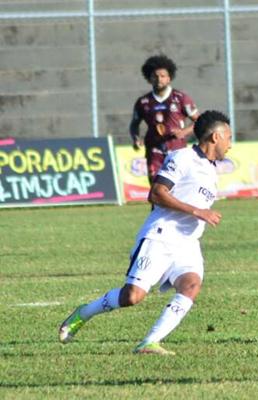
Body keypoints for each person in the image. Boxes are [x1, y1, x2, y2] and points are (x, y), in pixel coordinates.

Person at [59, 110, 233, 355]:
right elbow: (157, 193)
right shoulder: (182, 158)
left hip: (188, 242)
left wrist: (198, 214)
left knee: (191, 285)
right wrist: (198, 211)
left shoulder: (211, 169)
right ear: (215, 137)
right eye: (228, 138)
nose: (230, 145)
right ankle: (83, 313)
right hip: (161, 236)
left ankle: (149, 342)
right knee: (132, 297)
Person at [130, 55, 200, 185]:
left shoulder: (180, 98)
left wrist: (184, 132)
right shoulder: (143, 102)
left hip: (177, 150)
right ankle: (157, 206)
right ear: (149, 78)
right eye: (155, 76)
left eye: (163, 76)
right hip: (154, 149)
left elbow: (199, 120)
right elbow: (134, 125)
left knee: (178, 186)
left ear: (169, 78)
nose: (159, 79)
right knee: (156, 185)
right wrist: (135, 138)